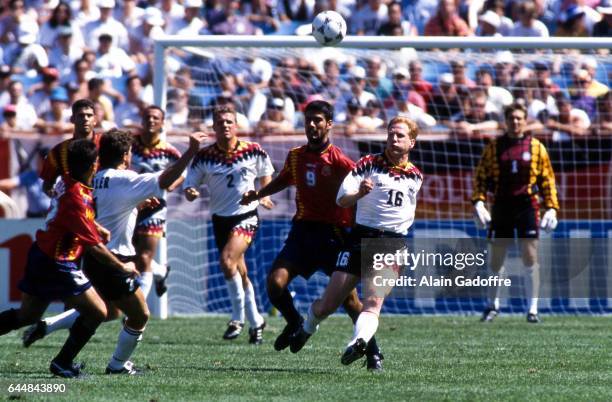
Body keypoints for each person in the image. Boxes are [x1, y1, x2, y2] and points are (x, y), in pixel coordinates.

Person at [22, 129, 207, 373]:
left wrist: (138, 207)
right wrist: (192, 151)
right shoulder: (126, 179)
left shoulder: (89, 177)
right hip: (113, 256)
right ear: (126, 155)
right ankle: (116, 365)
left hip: (88, 255)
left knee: (106, 311)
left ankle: (49, 329)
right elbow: (166, 179)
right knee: (139, 315)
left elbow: (109, 210)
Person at [241, 100, 385, 371]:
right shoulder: (296, 155)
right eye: (308, 119)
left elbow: (364, 187)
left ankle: (373, 353)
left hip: (335, 235)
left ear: (329, 124)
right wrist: (259, 194)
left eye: (318, 120)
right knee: (274, 284)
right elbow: (285, 178)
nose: (312, 124)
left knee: (350, 300)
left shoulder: (341, 160)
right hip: (303, 231)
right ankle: (295, 321)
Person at [287, 116, 422, 367]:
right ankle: (308, 327)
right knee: (327, 305)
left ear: (411, 142)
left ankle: (358, 343)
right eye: (391, 133)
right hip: (360, 238)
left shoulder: (415, 176)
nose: (393, 138)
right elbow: (341, 199)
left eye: (400, 135)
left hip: (391, 245)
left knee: (373, 302)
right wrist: (359, 193)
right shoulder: (367, 164)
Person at [0, 139, 136, 378]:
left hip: (41, 254)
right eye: (96, 162)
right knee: (98, 312)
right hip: (58, 261)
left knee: (27, 316)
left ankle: (62, 362)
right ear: (92, 165)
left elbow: (68, 214)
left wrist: (94, 226)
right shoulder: (77, 197)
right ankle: (62, 362)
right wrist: (122, 266)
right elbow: (94, 248)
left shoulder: (67, 182)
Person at [183, 105, 273, 344]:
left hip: (246, 215)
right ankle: (257, 321)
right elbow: (190, 183)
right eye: (220, 122)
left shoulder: (253, 150)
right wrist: (190, 191)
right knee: (238, 270)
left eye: (229, 121)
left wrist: (263, 194)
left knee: (226, 260)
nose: (225, 125)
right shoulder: (204, 156)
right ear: (213, 127)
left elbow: (266, 172)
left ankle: (237, 318)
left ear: (236, 125)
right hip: (220, 218)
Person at [473, 102, 559, 323]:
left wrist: (552, 207)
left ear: (525, 120)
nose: (516, 122)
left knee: (530, 255)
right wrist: (479, 203)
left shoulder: (536, 147)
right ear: (506, 121)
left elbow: (547, 179)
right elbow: (481, 177)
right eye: (512, 118)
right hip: (501, 205)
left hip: (527, 205)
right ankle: (493, 306)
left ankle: (532, 309)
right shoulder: (494, 146)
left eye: (520, 118)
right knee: (496, 259)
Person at [132, 106, 182, 298]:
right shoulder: (130, 144)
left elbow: (183, 171)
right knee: (131, 254)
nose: (151, 120)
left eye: (156, 117)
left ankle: (137, 311)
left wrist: (172, 184)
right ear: (142, 120)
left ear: (162, 123)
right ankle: (160, 272)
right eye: (148, 117)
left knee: (144, 258)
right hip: (129, 205)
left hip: (154, 208)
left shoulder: (168, 151)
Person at [40, 98, 100, 196]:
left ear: (95, 120)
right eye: (81, 115)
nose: (85, 118)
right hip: (75, 207)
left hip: (104, 207)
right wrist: (59, 199)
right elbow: (47, 185)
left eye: (89, 115)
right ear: (72, 119)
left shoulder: (105, 143)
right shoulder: (59, 151)